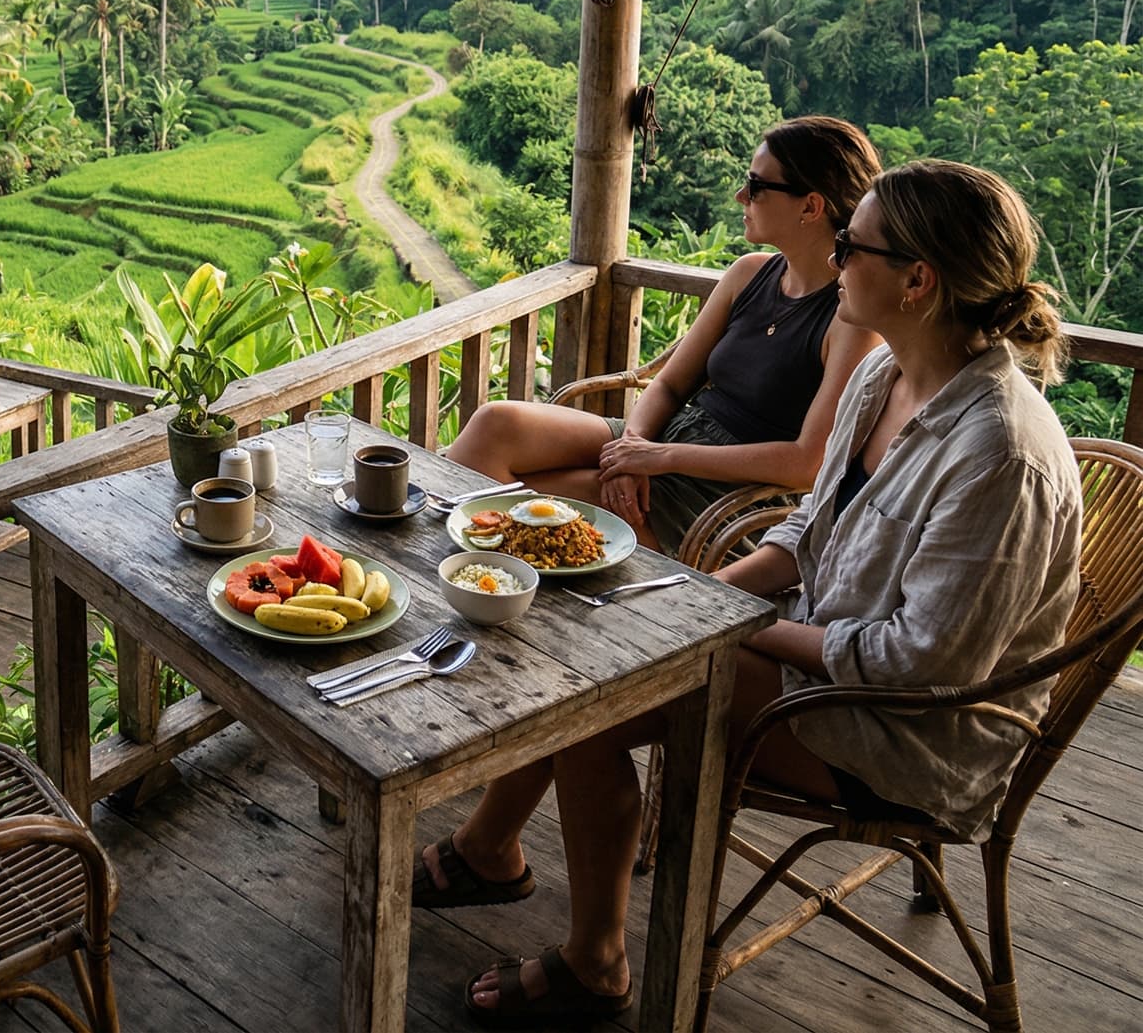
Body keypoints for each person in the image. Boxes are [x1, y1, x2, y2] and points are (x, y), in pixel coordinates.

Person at [422, 160, 1082, 1027]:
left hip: (913, 732)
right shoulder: (886, 379)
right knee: (606, 654)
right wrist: (701, 599)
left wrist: (733, 629)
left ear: (918, 281)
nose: (837, 257)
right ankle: (491, 848)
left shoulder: (1001, 452)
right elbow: (806, 530)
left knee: (596, 695)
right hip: (826, 655)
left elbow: (920, 664)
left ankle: (594, 959)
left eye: (853, 244)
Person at [447, 116, 883, 553]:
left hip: (727, 488)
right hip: (671, 435)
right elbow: (672, 384)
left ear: (810, 207)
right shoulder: (749, 273)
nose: (740, 196)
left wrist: (660, 458)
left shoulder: (851, 317)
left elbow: (808, 462)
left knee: (531, 499)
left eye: (756, 186)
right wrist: (633, 448)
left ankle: (511, 585)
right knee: (494, 427)